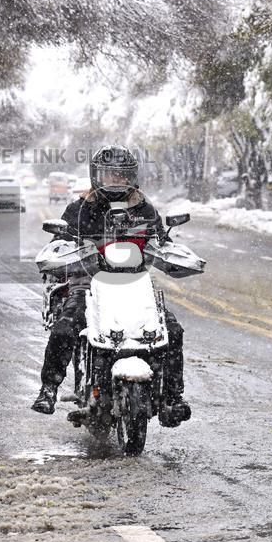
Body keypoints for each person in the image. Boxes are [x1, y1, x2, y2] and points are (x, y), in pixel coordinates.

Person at [31, 145, 192, 426]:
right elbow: (59, 241)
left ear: (132, 176)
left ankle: (172, 398)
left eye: (122, 175)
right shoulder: (80, 208)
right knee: (67, 324)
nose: (116, 181)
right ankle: (48, 390)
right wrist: (61, 250)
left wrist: (172, 253)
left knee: (172, 329)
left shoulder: (144, 208)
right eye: (110, 175)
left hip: (136, 283)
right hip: (89, 283)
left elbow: (161, 241)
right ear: (97, 176)